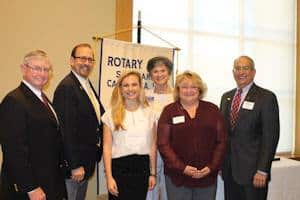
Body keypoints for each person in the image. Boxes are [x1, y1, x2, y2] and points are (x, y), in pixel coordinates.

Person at [0, 50, 66, 200]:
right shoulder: (14, 101)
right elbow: (14, 151)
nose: (42, 74)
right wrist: (31, 187)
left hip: (49, 181)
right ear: (23, 69)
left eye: (46, 69)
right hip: (29, 188)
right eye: (36, 68)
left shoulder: (43, 98)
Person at [158, 71, 227, 200]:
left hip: (206, 176)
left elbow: (221, 141)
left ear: (200, 90)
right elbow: (163, 144)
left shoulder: (212, 110)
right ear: (178, 90)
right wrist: (182, 168)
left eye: (193, 87)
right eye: (184, 87)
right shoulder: (169, 111)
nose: (189, 90)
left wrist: (211, 167)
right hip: (177, 177)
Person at [220, 55, 280, 200]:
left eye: (245, 68)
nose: (241, 72)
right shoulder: (226, 97)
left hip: (254, 173)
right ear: (233, 72)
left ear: (253, 72)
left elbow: (270, 136)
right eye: (237, 68)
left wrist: (263, 170)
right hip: (230, 171)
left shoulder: (266, 97)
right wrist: (222, 165)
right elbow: (223, 134)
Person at [53, 43, 105, 200]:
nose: (87, 63)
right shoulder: (67, 88)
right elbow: (66, 130)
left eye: (90, 59)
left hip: (85, 161)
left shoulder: (85, 85)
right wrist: (74, 165)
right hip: (74, 168)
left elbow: (97, 119)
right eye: (82, 58)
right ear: (71, 61)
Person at [102, 71, 157, 200]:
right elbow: (107, 148)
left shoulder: (150, 114)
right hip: (119, 170)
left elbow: (153, 146)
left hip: (142, 169)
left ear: (140, 87)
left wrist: (153, 173)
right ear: (120, 89)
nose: (130, 89)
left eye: (134, 84)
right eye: (126, 85)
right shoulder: (110, 115)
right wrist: (109, 177)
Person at [145, 56, 173, 200]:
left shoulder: (177, 96)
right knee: (151, 188)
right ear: (150, 75)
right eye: (155, 71)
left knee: (170, 188)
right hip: (150, 148)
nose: (159, 74)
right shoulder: (144, 96)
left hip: (172, 149)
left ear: (169, 73)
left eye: (163, 70)